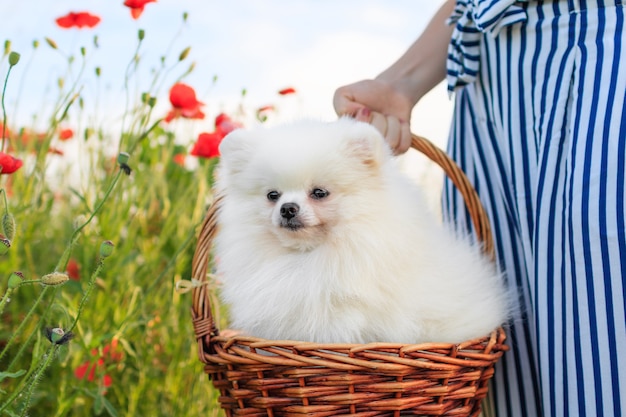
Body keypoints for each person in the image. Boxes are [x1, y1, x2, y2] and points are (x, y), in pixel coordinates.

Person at [334, 1, 626, 416]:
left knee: (596, 333)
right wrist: (399, 84)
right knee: (505, 349)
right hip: (489, 81)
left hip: (600, 50)